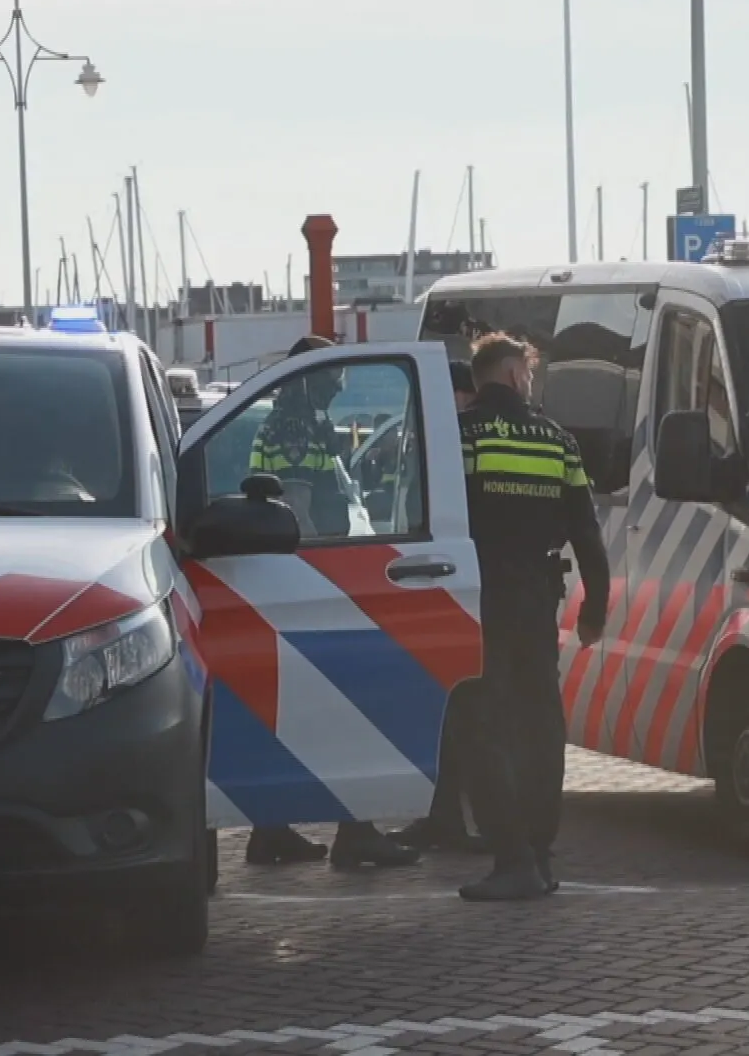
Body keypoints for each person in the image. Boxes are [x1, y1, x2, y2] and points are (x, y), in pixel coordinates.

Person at [243, 335, 421, 871]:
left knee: (300, 710)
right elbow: (298, 507)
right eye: (332, 379)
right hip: (318, 578)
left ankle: (271, 830)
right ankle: (355, 832)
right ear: (311, 377)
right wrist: (330, 574)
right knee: (350, 709)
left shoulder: (297, 420)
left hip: (303, 577)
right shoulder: (295, 426)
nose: (339, 389)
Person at [456, 332, 609, 902]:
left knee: (482, 722)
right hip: (537, 597)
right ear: (517, 375)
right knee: (541, 723)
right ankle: (540, 853)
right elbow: (587, 535)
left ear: (478, 379)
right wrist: (595, 608)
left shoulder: (463, 435)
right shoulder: (558, 441)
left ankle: (511, 856)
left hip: (478, 597)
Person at [391, 359, 490, 854]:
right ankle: (444, 816)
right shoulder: (438, 441)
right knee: (447, 714)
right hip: (439, 593)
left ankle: (450, 817)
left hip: (454, 594)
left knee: (462, 714)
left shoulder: (447, 440)